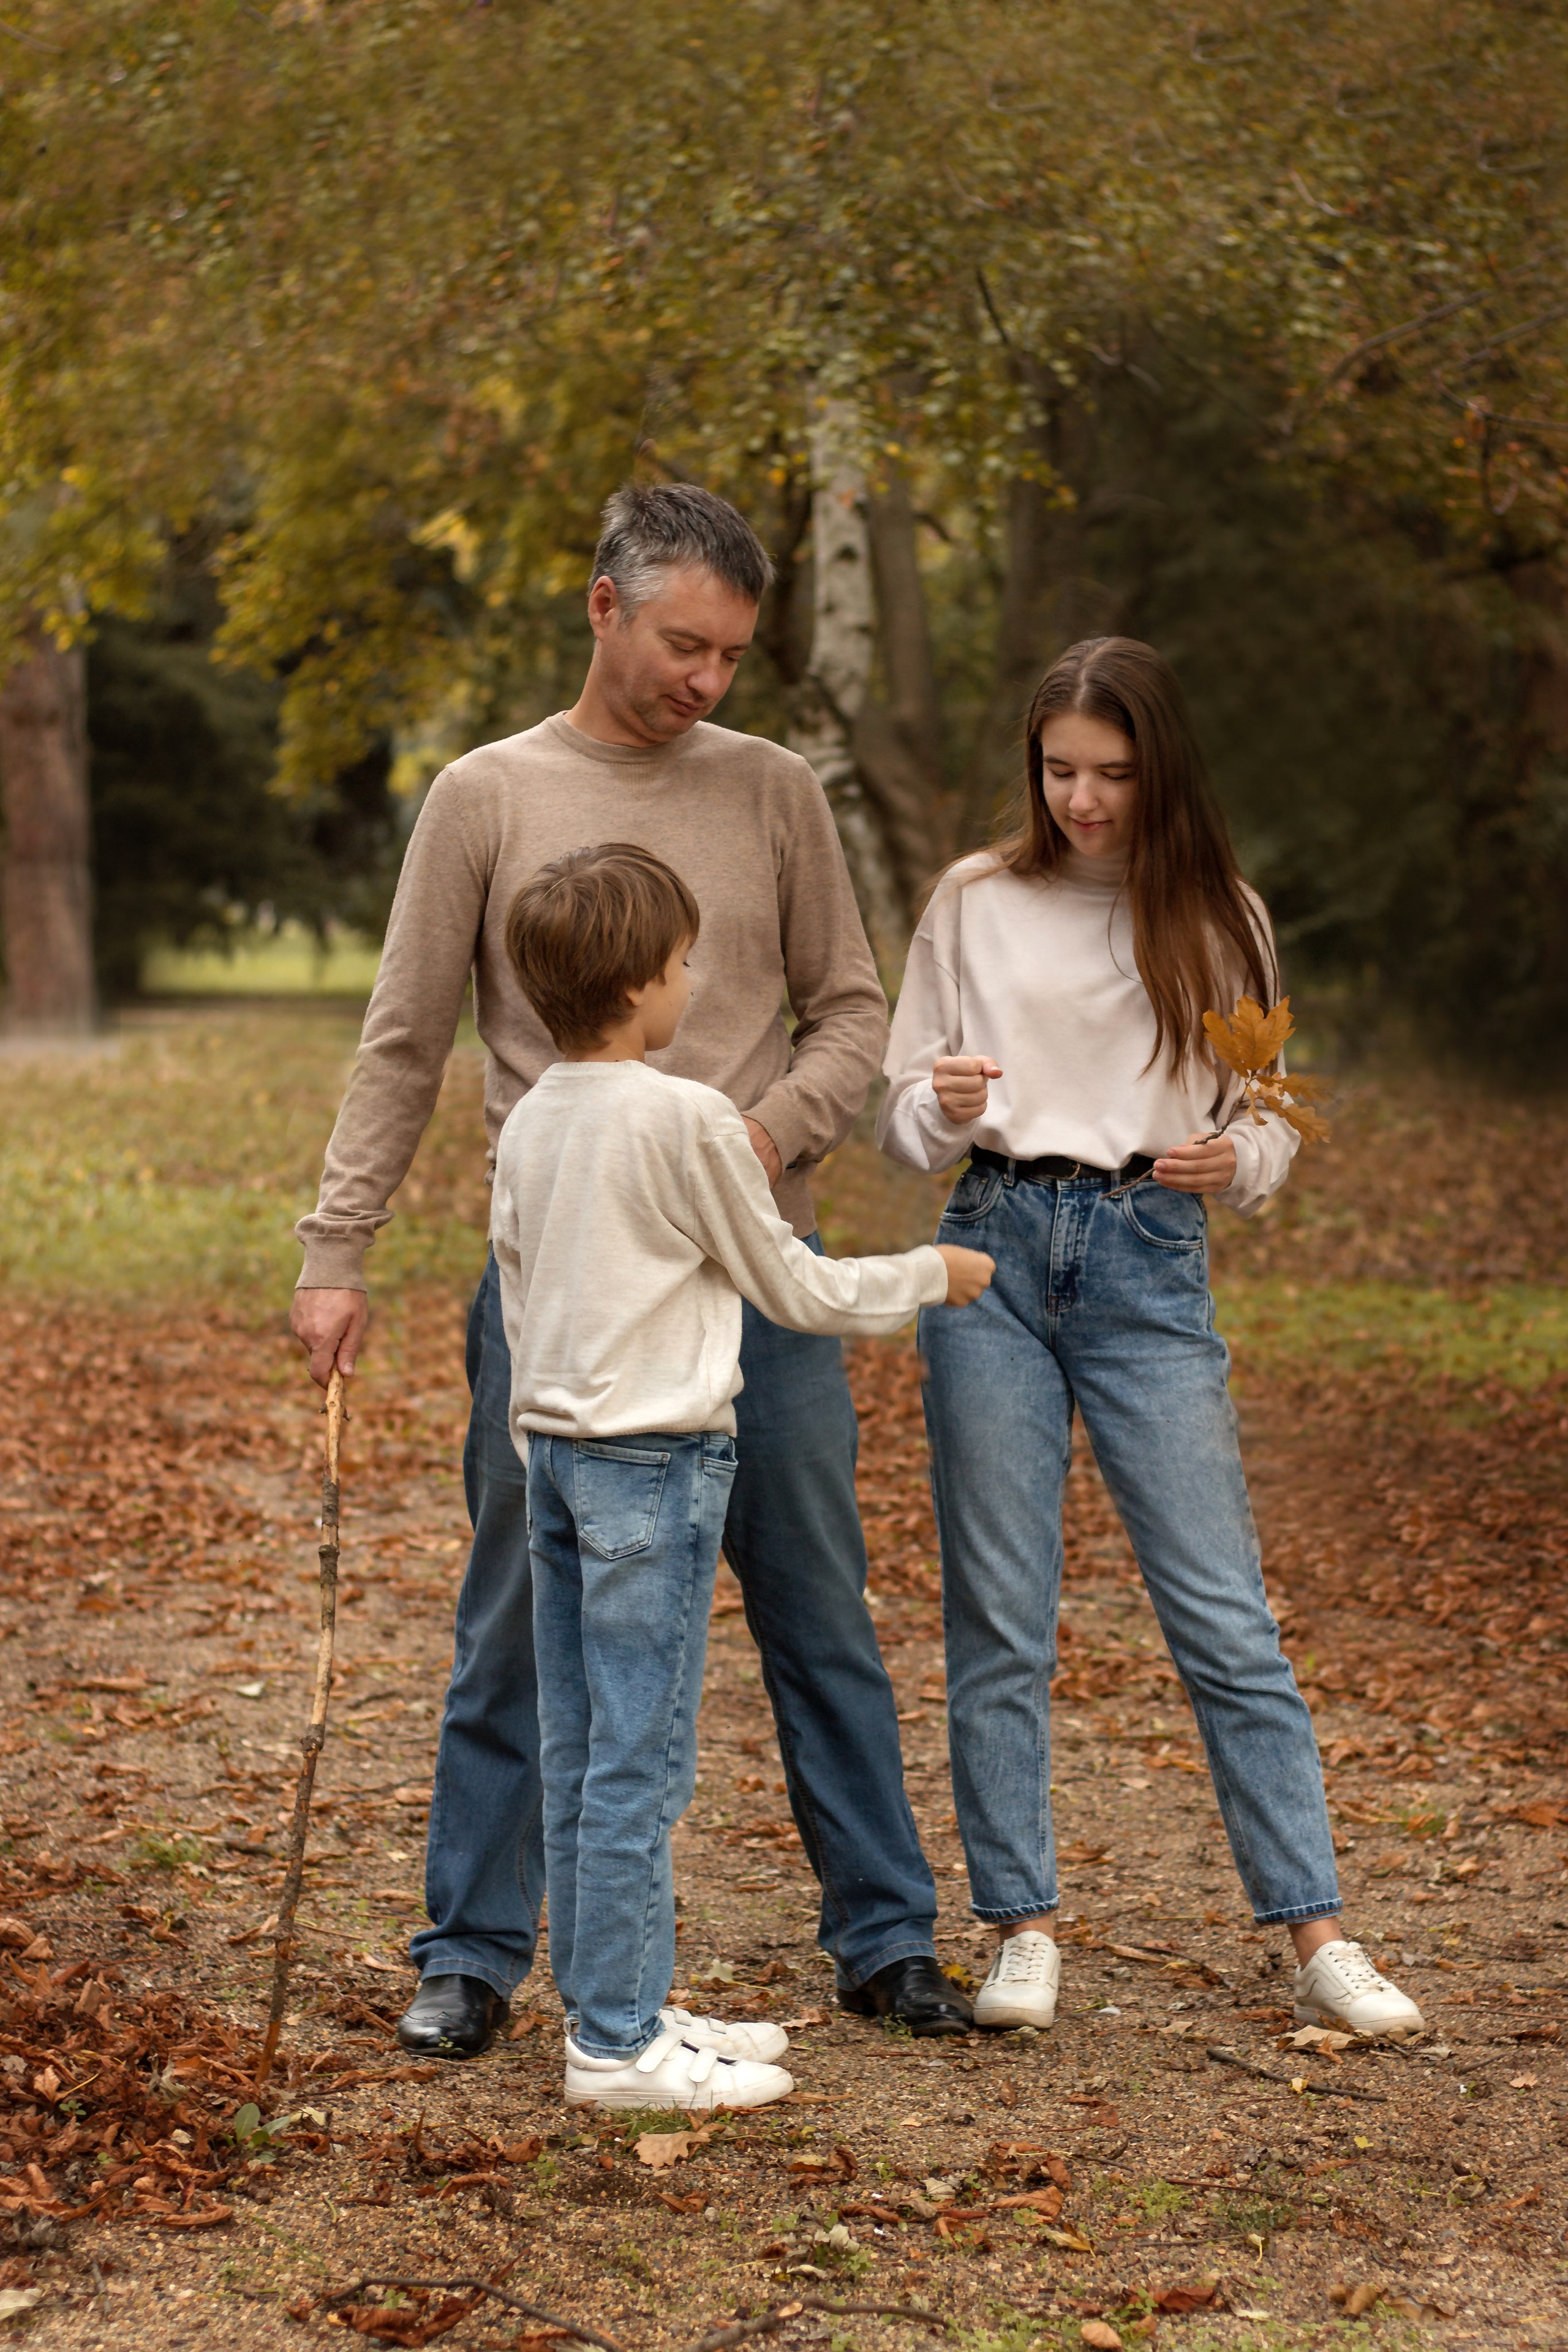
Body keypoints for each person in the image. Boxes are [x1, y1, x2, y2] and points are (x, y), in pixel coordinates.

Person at [290, 481, 977, 2059]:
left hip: (759, 1269)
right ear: (603, 607)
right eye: (684, 645)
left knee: (816, 1607)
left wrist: (755, 1137)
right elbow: (403, 1041)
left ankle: (884, 1936)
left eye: (731, 655)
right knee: (516, 1619)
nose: (706, 680)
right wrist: (338, 1248)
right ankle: (472, 1952)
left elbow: (851, 1013)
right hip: (562, 1295)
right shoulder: (483, 794)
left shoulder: (773, 790)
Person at [878, 636, 1425, 2042]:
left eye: (1111, 773)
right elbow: (901, 1117)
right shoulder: (973, 899)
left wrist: (1235, 1164)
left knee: (1221, 1615)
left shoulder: (1217, 915)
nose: (1081, 800)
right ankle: (1020, 1927)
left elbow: (1268, 1116)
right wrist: (941, 1103)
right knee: (999, 1614)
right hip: (990, 1247)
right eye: (1058, 770)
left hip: (1145, 1261)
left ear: (1158, 769)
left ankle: (1315, 1933)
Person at [491, 843, 992, 2108]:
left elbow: (518, 1297)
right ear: (635, 988)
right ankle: (616, 2049)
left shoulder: (531, 1120)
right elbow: (793, 1287)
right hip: (652, 1465)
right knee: (641, 1762)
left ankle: (615, 2000)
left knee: (584, 1748)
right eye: (678, 964)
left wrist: (536, 1443)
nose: (687, 982)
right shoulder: (688, 1120)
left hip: (555, 1463)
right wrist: (929, 1276)